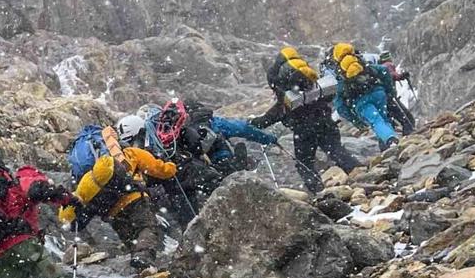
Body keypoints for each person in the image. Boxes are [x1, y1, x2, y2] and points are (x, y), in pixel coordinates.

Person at [253, 47, 360, 192]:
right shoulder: (307, 72)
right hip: (325, 120)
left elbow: (280, 110)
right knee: (335, 150)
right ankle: (359, 173)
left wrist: (258, 122)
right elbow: (327, 97)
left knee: (304, 162)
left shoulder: (282, 80)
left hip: (303, 128)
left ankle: (317, 189)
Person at [149, 98, 282, 206]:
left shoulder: (181, 127)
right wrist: (269, 139)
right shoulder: (213, 122)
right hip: (223, 160)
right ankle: (238, 168)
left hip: (198, 167)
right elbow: (243, 129)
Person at [72, 115, 178, 245]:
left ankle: (137, 254)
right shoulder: (131, 152)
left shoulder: (100, 163)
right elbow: (163, 170)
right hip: (134, 199)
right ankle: (143, 255)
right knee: (148, 230)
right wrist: (172, 165)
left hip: (112, 211)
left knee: (131, 241)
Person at [327, 42, 399, 150]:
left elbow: (340, 105)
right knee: (384, 118)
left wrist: (356, 121)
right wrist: (390, 91)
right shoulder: (362, 63)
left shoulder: (341, 73)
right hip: (378, 93)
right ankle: (387, 144)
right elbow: (383, 71)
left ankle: (390, 140)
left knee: (376, 121)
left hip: (361, 101)